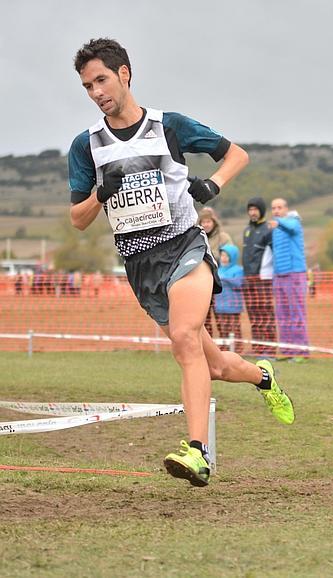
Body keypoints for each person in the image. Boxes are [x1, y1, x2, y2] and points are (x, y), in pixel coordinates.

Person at [68, 38, 294, 487]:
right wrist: (101, 193)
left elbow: (236, 154)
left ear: (125, 74)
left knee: (186, 339)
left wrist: (212, 185)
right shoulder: (86, 146)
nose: (96, 92)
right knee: (213, 365)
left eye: (102, 80)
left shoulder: (168, 126)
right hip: (140, 264)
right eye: (87, 86)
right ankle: (262, 376)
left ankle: (197, 453)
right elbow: (77, 219)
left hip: (185, 246)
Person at [269, 198, 309, 360]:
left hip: (295, 273)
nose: (276, 211)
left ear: (286, 208)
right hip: (279, 275)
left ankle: (301, 351)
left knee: (297, 313)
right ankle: (287, 351)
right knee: (282, 314)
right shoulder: (276, 228)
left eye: (279, 207)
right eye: (273, 208)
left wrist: (278, 222)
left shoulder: (293, 222)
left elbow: (291, 228)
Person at [242, 197, 277, 357]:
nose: (252, 212)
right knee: (253, 315)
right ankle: (257, 349)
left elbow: (274, 255)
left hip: (263, 280)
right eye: (250, 209)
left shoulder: (268, 230)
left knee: (266, 314)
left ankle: (270, 349)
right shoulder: (247, 230)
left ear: (261, 211)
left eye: (255, 209)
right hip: (247, 279)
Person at [197, 207, 232, 336]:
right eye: (203, 222)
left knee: (222, 317)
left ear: (214, 222)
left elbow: (230, 256)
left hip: (219, 281)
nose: (206, 224)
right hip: (201, 282)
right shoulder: (196, 238)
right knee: (204, 317)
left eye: (208, 221)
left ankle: (225, 345)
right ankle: (208, 347)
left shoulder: (223, 237)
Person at [215, 245, 244, 353]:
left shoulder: (238, 270)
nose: (224, 258)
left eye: (227, 256)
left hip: (233, 306)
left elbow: (239, 283)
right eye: (222, 255)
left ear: (233, 257)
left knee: (235, 329)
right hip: (220, 305)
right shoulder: (218, 269)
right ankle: (225, 350)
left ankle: (238, 350)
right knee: (223, 329)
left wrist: (225, 279)